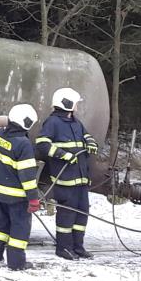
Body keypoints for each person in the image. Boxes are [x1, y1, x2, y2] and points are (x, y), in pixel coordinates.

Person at [37, 87, 98, 260]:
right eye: (76, 103)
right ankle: (63, 248)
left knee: (82, 213)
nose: (77, 106)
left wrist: (91, 142)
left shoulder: (75, 122)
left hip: (81, 180)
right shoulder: (52, 122)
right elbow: (42, 144)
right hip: (65, 180)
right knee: (66, 215)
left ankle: (78, 247)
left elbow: (86, 136)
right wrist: (63, 155)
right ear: (68, 103)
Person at [0, 103, 42, 271]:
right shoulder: (23, 144)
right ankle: (17, 263)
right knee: (20, 229)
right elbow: (27, 176)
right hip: (17, 197)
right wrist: (33, 199)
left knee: (1, 225)